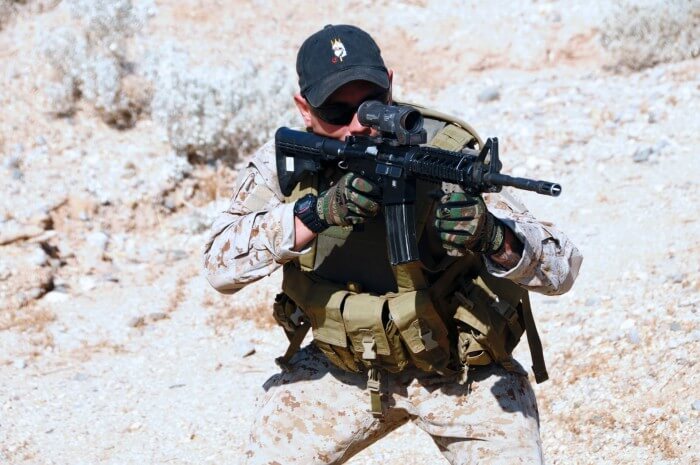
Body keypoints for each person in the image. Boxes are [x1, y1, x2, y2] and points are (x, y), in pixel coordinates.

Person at [204, 24, 582, 465]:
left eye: (369, 106)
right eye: (335, 112)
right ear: (304, 109)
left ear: (391, 88)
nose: (356, 127)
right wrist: (317, 213)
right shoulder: (288, 164)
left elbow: (562, 269)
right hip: (341, 367)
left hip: (460, 372)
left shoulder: (443, 151)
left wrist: (495, 238)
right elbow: (218, 264)